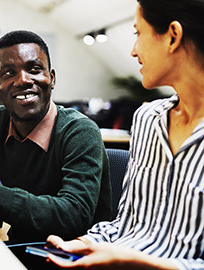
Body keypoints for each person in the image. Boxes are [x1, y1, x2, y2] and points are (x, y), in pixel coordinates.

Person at [0, 30, 111, 269]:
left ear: (51, 78)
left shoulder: (80, 131)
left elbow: (72, 215)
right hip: (19, 251)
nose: (23, 79)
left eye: (34, 69)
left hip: (74, 257)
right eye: (9, 73)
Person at [46, 0, 204, 269]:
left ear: (173, 36)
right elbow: (127, 224)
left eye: (138, 33)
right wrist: (85, 242)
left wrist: (138, 262)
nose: (132, 51)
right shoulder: (147, 119)